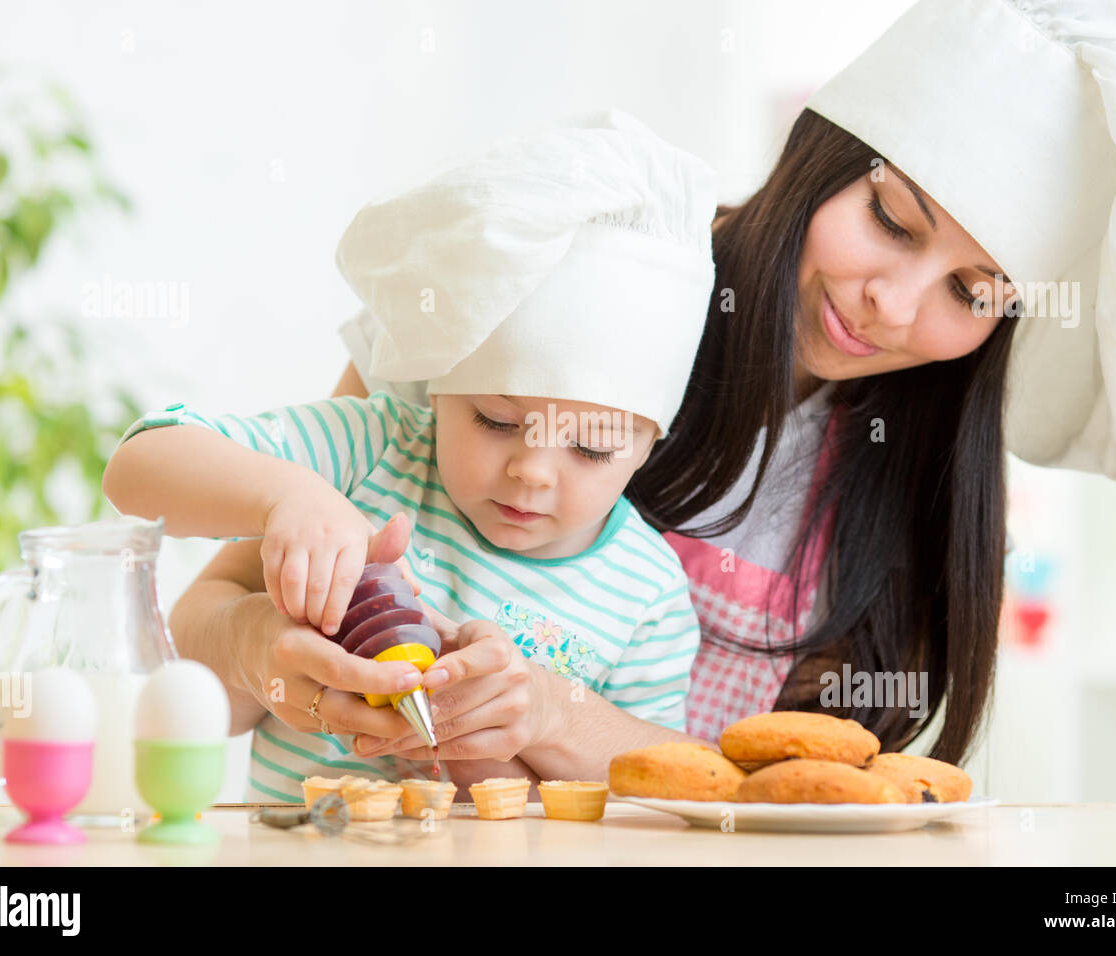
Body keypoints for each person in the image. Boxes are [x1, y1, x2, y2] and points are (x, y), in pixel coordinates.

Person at [160, 0, 1116, 783]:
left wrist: (554, 713)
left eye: (968, 288)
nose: (892, 303)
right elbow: (208, 638)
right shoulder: (569, 272)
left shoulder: (911, 478)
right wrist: (261, 651)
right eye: (891, 219)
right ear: (820, 148)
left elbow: (770, 795)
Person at [102, 112, 720, 798]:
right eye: (493, 419)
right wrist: (292, 497)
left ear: (649, 443)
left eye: (591, 446)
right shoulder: (374, 449)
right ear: (438, 389)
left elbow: (662, 791)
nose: (533, 471)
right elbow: (136, 469)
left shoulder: (647, 595)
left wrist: (504, 731)